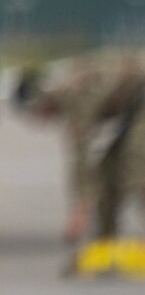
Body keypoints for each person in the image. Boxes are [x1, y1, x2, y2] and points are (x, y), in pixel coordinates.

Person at [15, 50, 145, 248]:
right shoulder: (69, 87)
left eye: (37, 113)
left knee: (137, 170)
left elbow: (81, 155)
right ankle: (106, 245)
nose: (42, 120)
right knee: (108, 174)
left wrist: (81, 210)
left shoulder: (72, 96)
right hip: (134, 110)